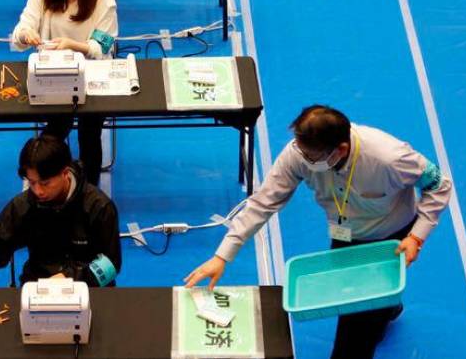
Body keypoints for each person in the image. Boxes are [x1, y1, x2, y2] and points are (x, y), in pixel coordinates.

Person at [184, 105, 452, 359]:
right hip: (344, 234)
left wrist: (416, 236)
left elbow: (439, 185)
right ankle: (386, 308)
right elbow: (263, 202)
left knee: (355, 331)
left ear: (341, 149)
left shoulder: (390, 158)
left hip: (390, 238)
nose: (302, 159)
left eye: (311, 157)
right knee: (357, 299)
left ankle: (375, 316)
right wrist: (222, 256)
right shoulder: (299, 153)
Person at [11, 0, 118, 186]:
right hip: (52, 76)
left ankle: (89, 190)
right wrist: (26, 35)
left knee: (89, 134)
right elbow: (20, 29)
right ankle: (44, 183)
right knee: (55, 130)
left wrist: (72, 45)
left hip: (93, 76)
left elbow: (102, 46)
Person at [0, 134, 122, 293]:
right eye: (32, 182)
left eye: (45, 183)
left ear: (65, 172)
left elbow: (111, 263)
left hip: (89, 290)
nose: (38, 191)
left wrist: (70, 279)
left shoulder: (99, 207)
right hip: (37, 288)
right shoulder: (24, 205)